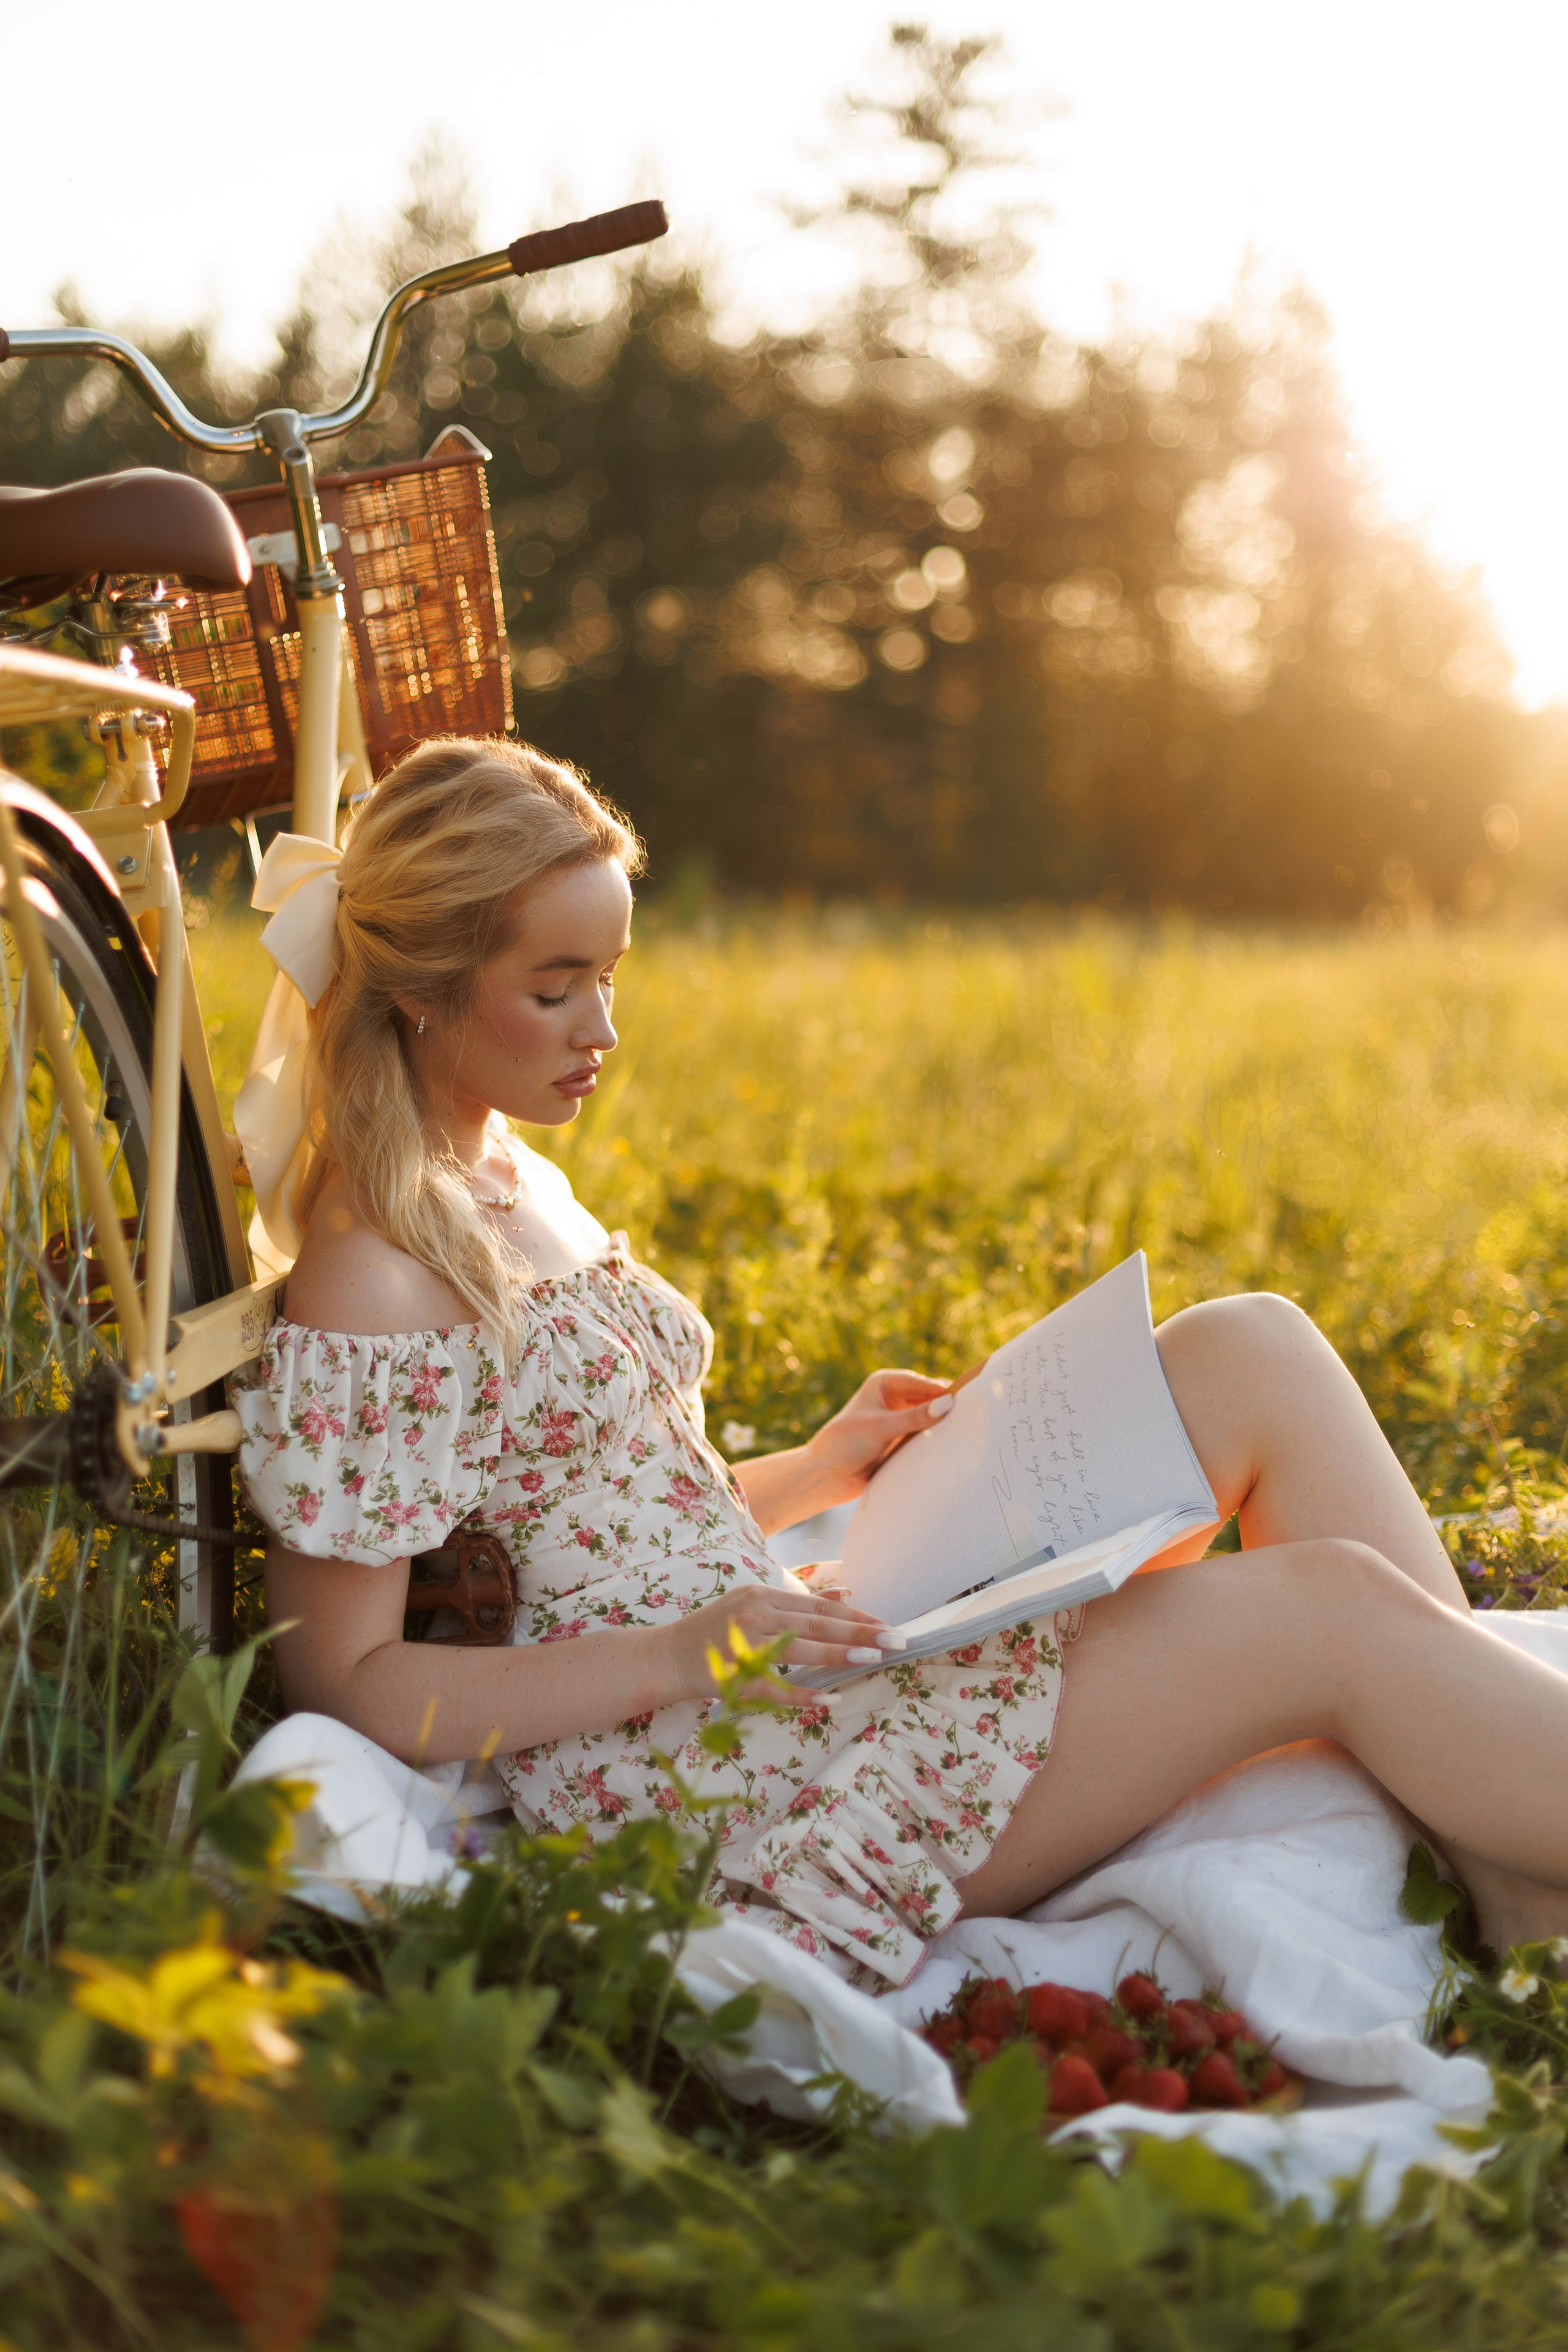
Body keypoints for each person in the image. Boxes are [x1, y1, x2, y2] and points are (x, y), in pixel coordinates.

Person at [236, 735, 1568, 1991]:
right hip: (725, 1774)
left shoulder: (507, 1169)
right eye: (553, 987)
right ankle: (1516, 1846)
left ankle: (1497, 1850)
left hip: (776, 1644)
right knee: (1324, 1606)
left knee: (1246, 1343)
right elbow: (347, 1684)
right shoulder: (374, 1276)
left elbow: (599, 1508)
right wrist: (684, 1657)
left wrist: (815, 1468)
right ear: (418, 989)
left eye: (608, 977)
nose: (601, 1030)